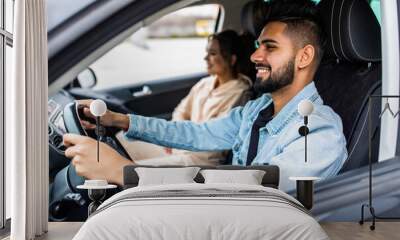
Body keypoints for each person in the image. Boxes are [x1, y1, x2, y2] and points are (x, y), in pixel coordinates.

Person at [63, 0, 348, 190]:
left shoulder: (320, 132)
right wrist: (121, 121)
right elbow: (195, 134)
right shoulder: (256, 110)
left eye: (270, 48)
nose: (254, 55)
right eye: (258, 45)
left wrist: (128, 173)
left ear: (304, 57)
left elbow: (256, 187)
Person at [110, 30, 254, 166]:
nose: (205, 58)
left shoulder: (240, 94)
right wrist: (170, 139)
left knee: (129, 168)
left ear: (232, 59)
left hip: (198, 160)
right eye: (207, 52)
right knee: (122, 140)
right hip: (179, 144)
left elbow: (213, 142)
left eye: (212, 53)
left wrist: (174, 141)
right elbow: (181, 110)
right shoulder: (206, 83)